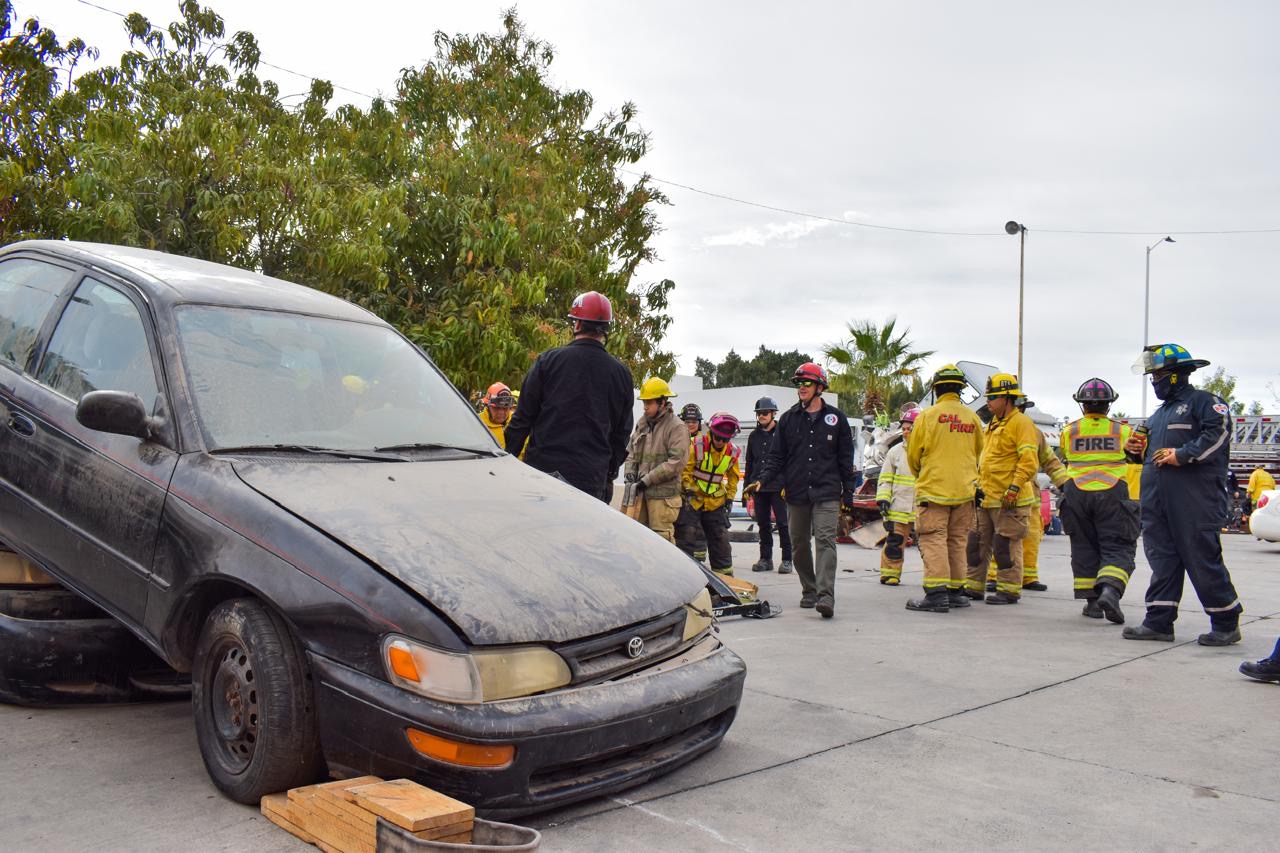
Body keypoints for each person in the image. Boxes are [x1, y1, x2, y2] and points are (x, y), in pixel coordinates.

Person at [1123, 344, 1244, 645]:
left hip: (1195, 501)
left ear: (1178, 375)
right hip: (1157, 501)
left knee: (1202, 559)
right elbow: (1150, 456)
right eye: (1152, 377)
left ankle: (1226, 622)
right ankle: (1159, 622)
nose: (1155, 382)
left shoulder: (1205, 402)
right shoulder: (1157, 416)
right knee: (1162, 560)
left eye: (1159, 375)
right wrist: (1134, 453)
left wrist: (1183, 454)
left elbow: (1219, 433)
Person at [747, 363, 856, 619]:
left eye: (806, 383)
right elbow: (776, 457)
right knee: (798, 544)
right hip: (796, 492)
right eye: (798, 384)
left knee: (825, 541)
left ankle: (826, 595)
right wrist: (762, 480)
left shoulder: (836, 419)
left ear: (820, 387)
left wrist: (848, 494)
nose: (801, 388)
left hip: (827, 492)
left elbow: (845, 460)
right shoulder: (787, 419)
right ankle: (809, 589)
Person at [504, 291, 633, 501]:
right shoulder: (621, 374)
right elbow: (622, 433)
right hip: (591, 478)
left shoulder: (548, 361)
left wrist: (509, 457)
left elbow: (522, 419)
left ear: (577, 324)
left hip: (543, 475)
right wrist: (608, 472)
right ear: (606, 329)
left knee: (537, 533)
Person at [1059, 378, 1140, 624]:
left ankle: (1092, 604)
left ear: (1082, 405)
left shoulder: (1068, 431)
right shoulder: (1123, 431)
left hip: (1077, 493)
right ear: (1108, 405)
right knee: (1117, 545)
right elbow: (1136, 457)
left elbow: (1066, 455)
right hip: (1113, 492)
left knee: (1084, 546)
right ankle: (1110, 591)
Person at [903, 364, 984, 612]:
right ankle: (957, 592)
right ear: (960, 390)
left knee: (933, 539)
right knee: (957, 540)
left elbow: (914, 455)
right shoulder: (973, 418)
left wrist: (924, 475)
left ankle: (937, 595)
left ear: (936, 389)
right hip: (965, 491)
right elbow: (979, 452)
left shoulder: (927, 417)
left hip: (935, 490)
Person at [965, 373, 1040, 605]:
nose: (988, 402)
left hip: (1010, 500)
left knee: (1006, 546)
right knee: (976, 545)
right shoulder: (993, 426)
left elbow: (1028, 460)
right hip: (987, 498)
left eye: (993, 397)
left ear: (1007, 398)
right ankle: (973, 588)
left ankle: (1008, 591)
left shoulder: (1021, 423)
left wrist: (1014, 488)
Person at [984, 396, 1067, 592]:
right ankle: (996, 576)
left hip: (1030, 494)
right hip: (1007, 495)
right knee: (1003, 538)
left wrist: (1066, 486)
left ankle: (1028, 577)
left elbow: (1050, 461)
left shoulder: (1034, 433)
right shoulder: (993, 430)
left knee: (1031, 537)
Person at [621, 378, 689, 543]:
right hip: (641, 494)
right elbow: (631, 452)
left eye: (649, 402)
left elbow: (676, 463)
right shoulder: (643, 423)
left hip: (663, 498)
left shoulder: (676, 427)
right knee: (638, 538)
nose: (645, 406)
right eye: (644, 402)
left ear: (663, 402)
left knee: (661, 541)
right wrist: (629, 473)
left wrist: (647, 480)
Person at [681, 412, 742, 576]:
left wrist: (730, 498)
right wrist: (688, 489)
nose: (721, 442)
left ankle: (725, 577)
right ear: (712, 433)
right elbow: (685, 470)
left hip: (715, 502)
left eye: (725, 439)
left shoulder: (732, 453)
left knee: (720, 539)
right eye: (718, 438)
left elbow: (733, 478)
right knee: (686, 536)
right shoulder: (697, 445)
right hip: (693, 499)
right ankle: (685, 574)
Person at [745, 396, 793, 574]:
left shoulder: (783, 434)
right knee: (763, 524)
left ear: (773, 414)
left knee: (782, 524)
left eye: (765, 413)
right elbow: (750, 462)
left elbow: (789, 462)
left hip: (778, 486)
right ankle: (765, 559)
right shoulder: (753, 436)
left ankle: (787, 559)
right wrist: (747, 487)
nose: (761, 416)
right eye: (759, 413)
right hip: (758, 487)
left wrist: (788, 485)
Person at [877, 407, 919, 585]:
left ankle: (935, 578)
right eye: (904, 428)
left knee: (930, 546)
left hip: (922, 507)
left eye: (910, 428)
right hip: (899, 507)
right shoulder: (895, 452)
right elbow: (885, 479)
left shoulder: (930, 451)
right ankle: (890, 574)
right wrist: (883, 499)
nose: (906, 432)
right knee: (895, 542)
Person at [675, 402, 709, 563]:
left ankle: (699, 560)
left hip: (697, 490)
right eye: (687, 422)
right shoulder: (677, 439)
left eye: (694, 422)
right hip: (678, 489)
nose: (690, 425)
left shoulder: (704, 442)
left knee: (698, 528)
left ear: (699, 423)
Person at [478, 382, 517, 449]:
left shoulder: (518, 424)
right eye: (496, 408)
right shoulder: (476, 422)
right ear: (488, 406)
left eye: (505, 408)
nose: (501, 412)